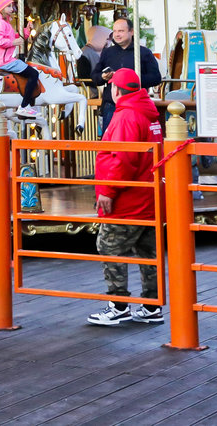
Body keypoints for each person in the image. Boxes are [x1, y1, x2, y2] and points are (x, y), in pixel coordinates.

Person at [86, 68, 165, 327]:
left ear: (116, 90)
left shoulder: (126, 116)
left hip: (128, 198)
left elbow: (123, 158)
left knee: (109, 245)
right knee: (148, 251)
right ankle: (152, 305)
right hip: (148, 194)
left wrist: (108, 190)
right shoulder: (148, 113)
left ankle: (118, 305)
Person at [91, 16, 161, 133]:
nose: (117, 34)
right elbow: (95, 76)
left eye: (121, 31)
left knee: (133, 136)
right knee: (109, 139)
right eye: (115, 31)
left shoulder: (143, 52)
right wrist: (103, 77)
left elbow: (156, 78)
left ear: (131, 32)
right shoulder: (108, 52)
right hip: (112, 105)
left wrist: (131, 80)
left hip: (136, 105)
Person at [0, 0, 41, 115]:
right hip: (3, 60)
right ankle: (24, 106)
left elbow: (12, 37)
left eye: (12, 6)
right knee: (33, 74)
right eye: (9, 6)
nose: (12, 9)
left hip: (1, 58)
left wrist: (26, 31)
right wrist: (13, 42)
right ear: (1, 8)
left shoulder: (2, 22)